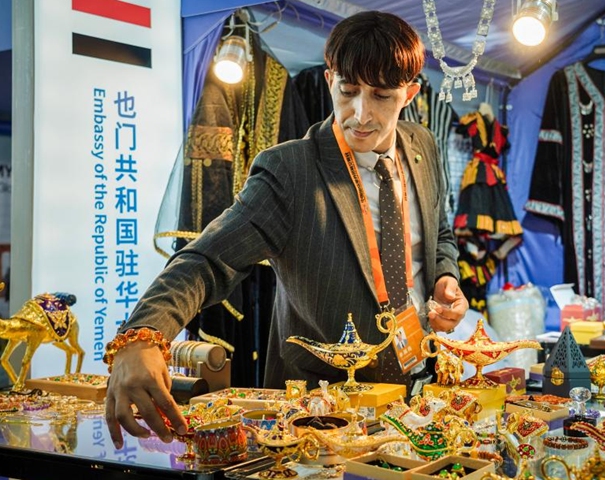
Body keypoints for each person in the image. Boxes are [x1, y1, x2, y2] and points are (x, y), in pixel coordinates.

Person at [104, 10, 468, 449]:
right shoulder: (291, 170)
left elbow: (439, 233)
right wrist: (143, 336)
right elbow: (207, 260)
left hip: (419, 389)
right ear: (329, 79)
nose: (361, 114)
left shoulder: (422, 145)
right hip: (321, 417)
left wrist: (446, 277)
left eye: (381, 96)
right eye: (348, 91)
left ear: (409, 93)